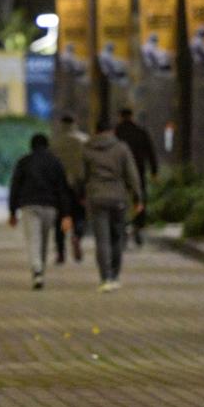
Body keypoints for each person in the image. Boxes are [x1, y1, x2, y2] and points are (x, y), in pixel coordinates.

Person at [79, 117, 145, 291]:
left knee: (102, 240)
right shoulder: (121, 148)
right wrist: (138, 198)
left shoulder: (86, 149)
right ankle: (115, 275)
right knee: (117, 237)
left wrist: (81, 196)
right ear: (112, 131)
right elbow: (132, 175)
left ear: (95, 131)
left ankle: (105, 277)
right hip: (118, 197)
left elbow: (81, 176)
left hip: (96, 197)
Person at [8, 134, 75, 289]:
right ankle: (40, 270)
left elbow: (15, 186)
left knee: (33, 239)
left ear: (31, 146)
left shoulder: (24, 162)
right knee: (44, 239)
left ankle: (37, 270)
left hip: (29, 205)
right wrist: (66, 214)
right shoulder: (55, 162)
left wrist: (12, 211)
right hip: (50, 206)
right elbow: (62, 189)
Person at [114, 108, 158, 245]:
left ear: (120, 116)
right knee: (139, 200)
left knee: (121, 201)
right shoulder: (141, 132)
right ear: (132, 117)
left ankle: (123, 228)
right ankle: (138, 227)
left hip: (120, 174)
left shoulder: (116, 133)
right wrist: (154, 171)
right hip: (139, 172)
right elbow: (151, 153)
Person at [48, 114, 88, 264]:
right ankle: (77, 235)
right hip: (79, 185)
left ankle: (60, 253)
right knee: (80, 215)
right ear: (74, 123)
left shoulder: (53, 142)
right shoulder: (84, 141)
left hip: (59, 186)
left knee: (60, 218)